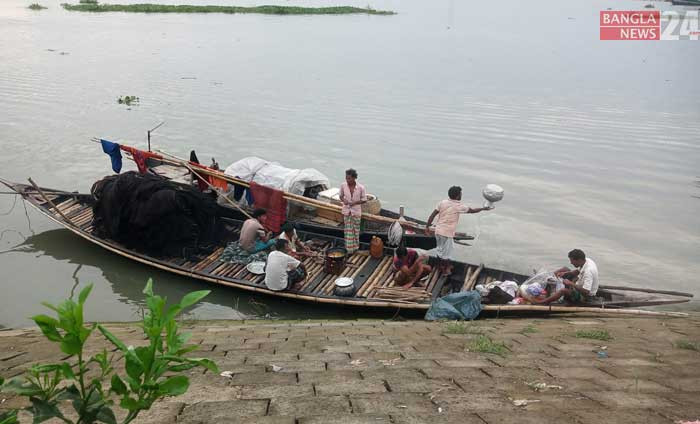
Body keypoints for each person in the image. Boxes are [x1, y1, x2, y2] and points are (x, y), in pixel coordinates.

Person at [424, 186, 490, 274]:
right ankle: (445, 270)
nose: (461, 195)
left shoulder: (442, 203)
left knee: (440, 249)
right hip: (447, 233)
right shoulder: (459, 206)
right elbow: (472, 210)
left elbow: (432, 215)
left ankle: (439, 266)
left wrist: (427, 227)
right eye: (460, 194)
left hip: (438, 230)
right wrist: (483, 208)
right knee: (447, 253)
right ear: (457, 196)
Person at [339, 168, 367, 254]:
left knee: (355, 231)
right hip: (347, 211)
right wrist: (344, 201)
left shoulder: (361, 187)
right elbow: (341, 196)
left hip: (356, 212)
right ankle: (349, 249)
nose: (347, 180)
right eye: (346, 178)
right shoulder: (343, 185)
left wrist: (355, 202)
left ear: (354, 178)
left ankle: (355, 248)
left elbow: (364, 199)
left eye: (349, 178)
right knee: (348, 231)